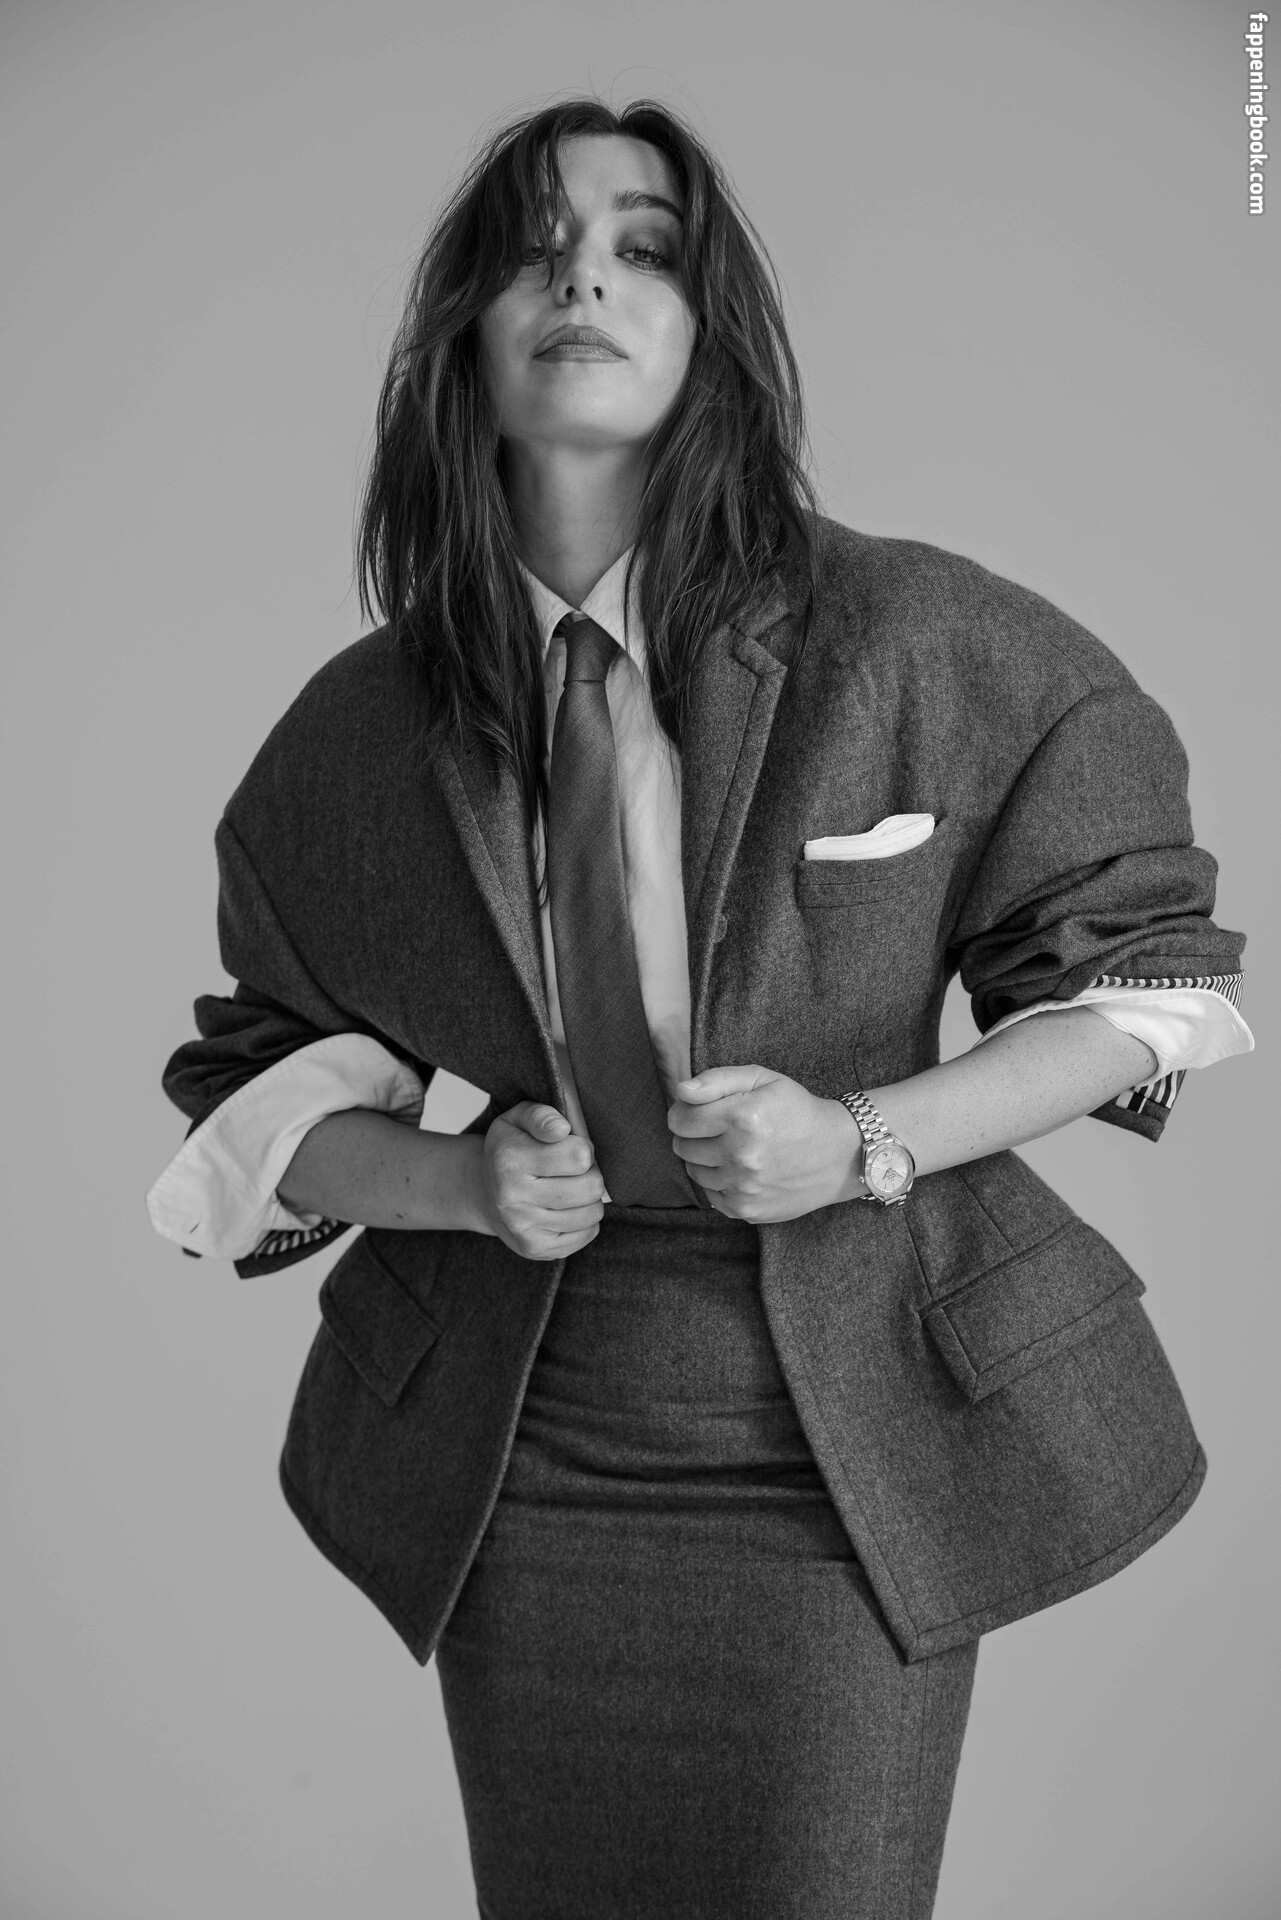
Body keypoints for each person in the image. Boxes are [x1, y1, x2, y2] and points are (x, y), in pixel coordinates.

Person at [147, 96, 1252, 1920]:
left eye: (640, 247)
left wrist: (861, 1137)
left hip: (850, 1450)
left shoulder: (922, 642)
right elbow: (257, 1096)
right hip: (523, 1470)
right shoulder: (356, 736)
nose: (583, 276)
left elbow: (1146, 989)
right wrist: (461, 1182)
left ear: (707, 328)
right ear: (463, 333)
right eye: (536, 248)